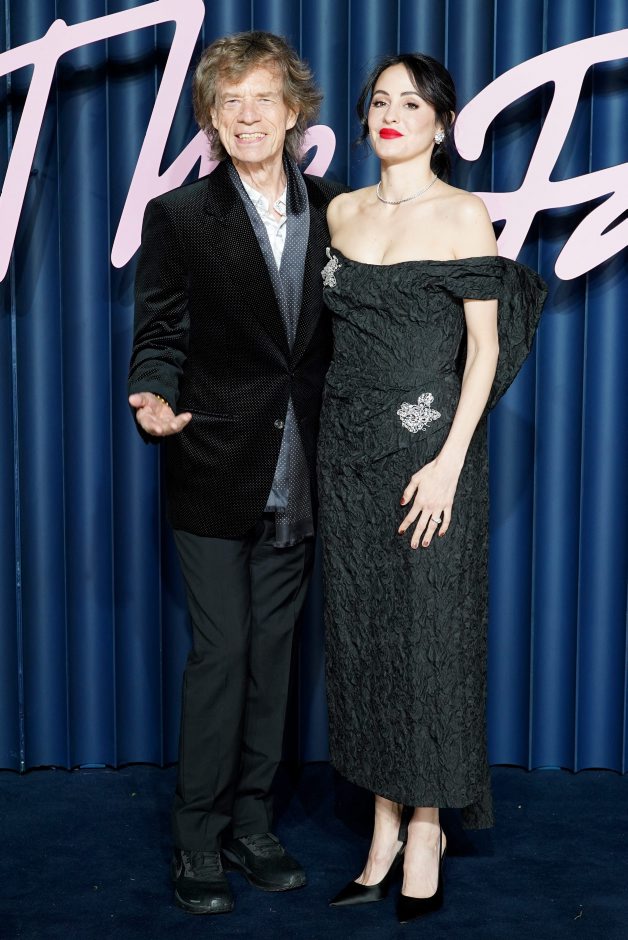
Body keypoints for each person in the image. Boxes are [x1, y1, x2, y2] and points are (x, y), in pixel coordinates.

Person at [318, 53, 546, 923]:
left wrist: (450, 463)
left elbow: (483, 352)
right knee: (366, 638)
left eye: (412, 104)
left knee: (430, 640)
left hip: (430, 459)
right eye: (380, 100)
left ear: (442, 124)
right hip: (347, 458)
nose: (391, 114)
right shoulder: (340, 210)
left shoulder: (462, 213)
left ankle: (425, 827)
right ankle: (381, 824)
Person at [128, 30, 344, 916]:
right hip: (213, 463)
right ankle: (198, 836)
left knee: (273, 656)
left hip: (304, 470)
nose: (247, 115)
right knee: (221, 653)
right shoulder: (180, 216)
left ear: (294, 112)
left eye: (262, 99)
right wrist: (151, 393)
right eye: (230, 102)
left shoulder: (338, 209)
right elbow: (160, 332)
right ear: (211, 118)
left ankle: (253, 824)